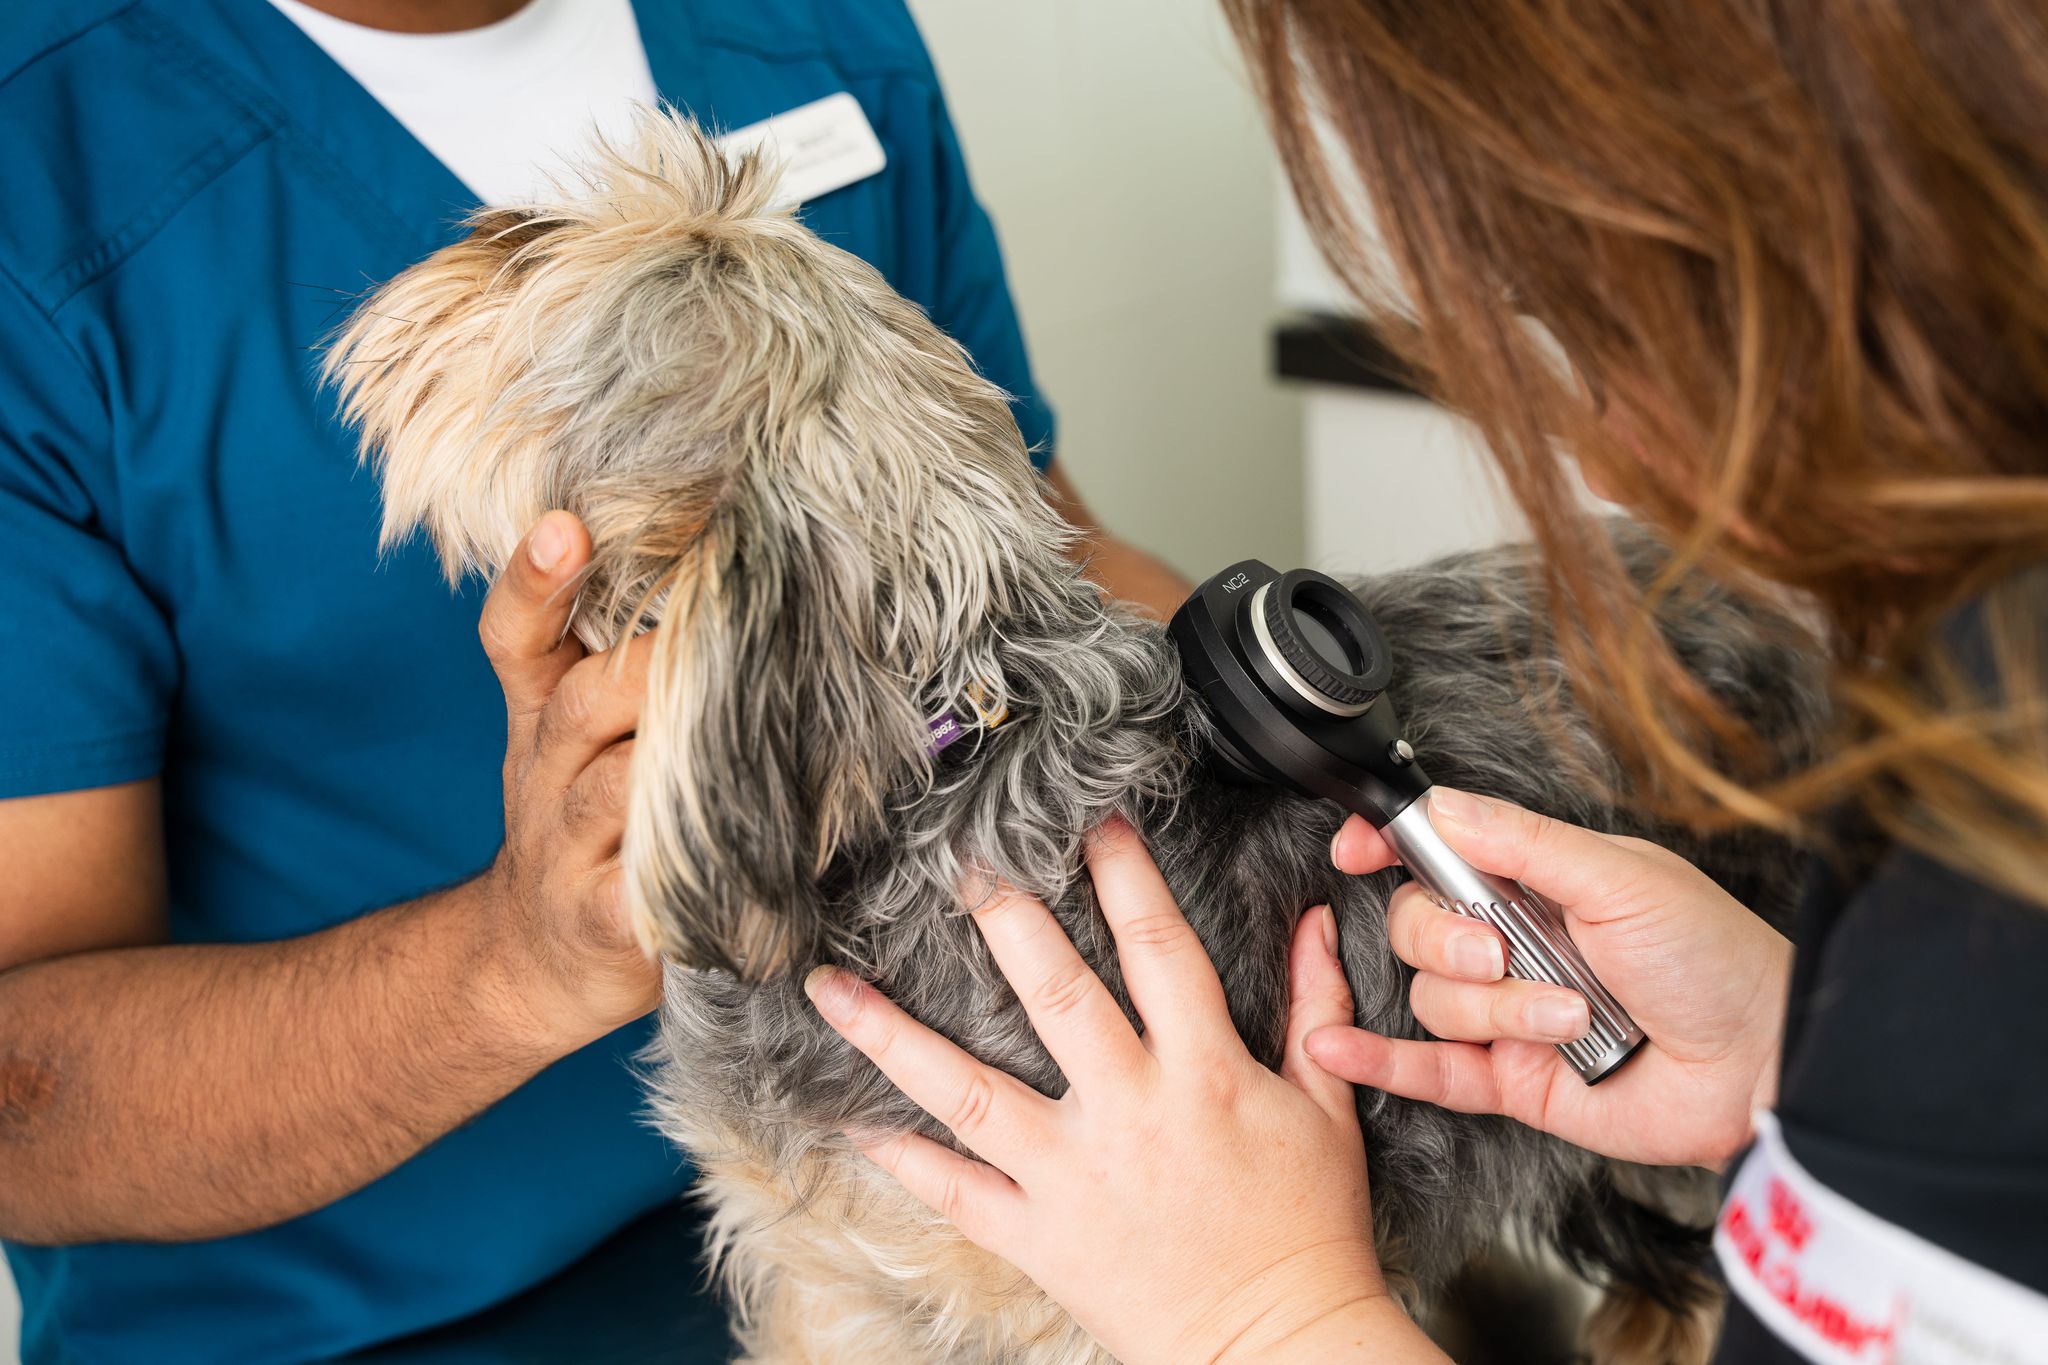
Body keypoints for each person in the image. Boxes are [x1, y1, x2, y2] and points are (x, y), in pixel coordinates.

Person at [809, 1, 2048, 1360]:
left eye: (1577, 323)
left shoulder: (1984, 917)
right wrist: (1793, 1050)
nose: (1603, 455)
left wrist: (1270, 1311)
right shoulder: (1977, 769)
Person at [0, 1, 1183, 1361]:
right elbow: (20, 1096)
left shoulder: (816, 32)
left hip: (897, 1223)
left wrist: (1351, 736)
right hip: (345, 1324)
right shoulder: (47, 165)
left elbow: (1046, 571)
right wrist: (520, 958)